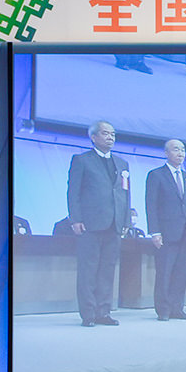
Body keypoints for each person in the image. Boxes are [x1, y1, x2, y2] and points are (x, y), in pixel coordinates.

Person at [67, 120, 130, 327]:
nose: (110, 137)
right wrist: (76, 219)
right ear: (93, 137)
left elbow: (125, 194)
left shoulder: (122, 164)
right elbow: (73, 192)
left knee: (107, 269)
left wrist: (126, 219)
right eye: (105, 133)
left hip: (114, 224)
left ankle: (104, 311)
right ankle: (88, 314)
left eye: (113, 134)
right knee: (88, 269)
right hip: (90, 224)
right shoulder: (82, 160)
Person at [145, 139, 186, 321]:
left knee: (181, 272)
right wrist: (155, 231)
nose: (181, 153)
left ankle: (178, 308)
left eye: (183, 150)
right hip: (166, 232)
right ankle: (163, 310)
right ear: (166, 153)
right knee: (165, 271)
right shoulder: (156, 175)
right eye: (176, 149)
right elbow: (151, 205)